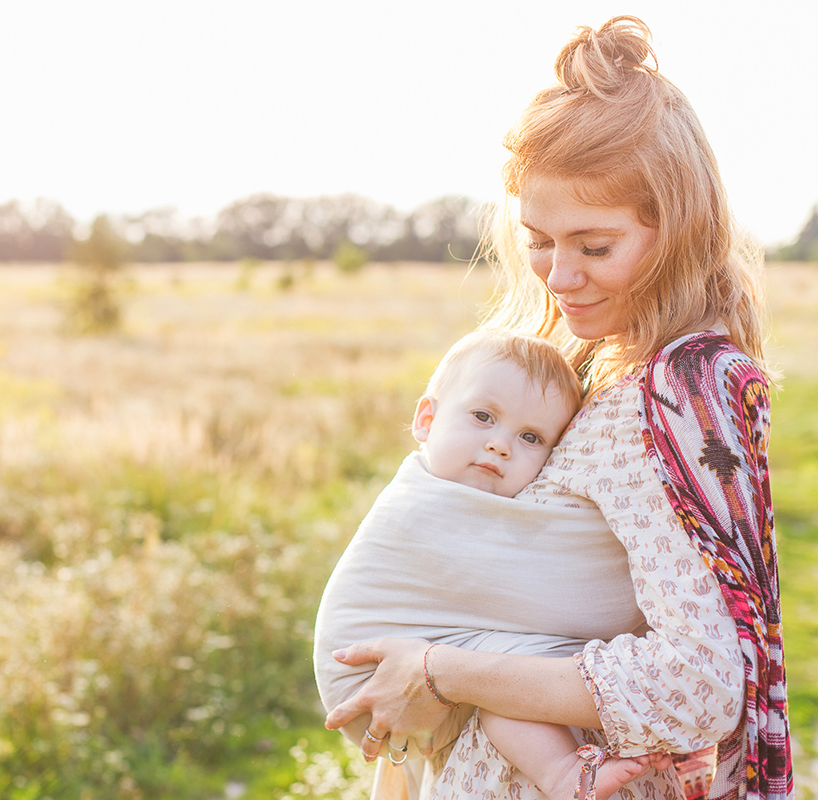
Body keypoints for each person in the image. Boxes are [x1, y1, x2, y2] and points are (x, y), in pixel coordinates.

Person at [321, 15, 792, 800]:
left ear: (675, 232)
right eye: (539, 239)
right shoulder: (608, 372)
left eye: (594, 246)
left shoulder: (674, 397)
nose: (559, 275)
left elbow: (698, 685)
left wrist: (440, 668)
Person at [314, 328, 671, 800]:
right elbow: (573, 602)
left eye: (531, 437)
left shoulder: (463, 497)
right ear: (426, 419)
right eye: (483, 417)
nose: (501, 445)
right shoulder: (422, 506)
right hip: (368, 680)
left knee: (503, 671)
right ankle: (564, 773)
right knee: (518, 661)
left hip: (422, 669)